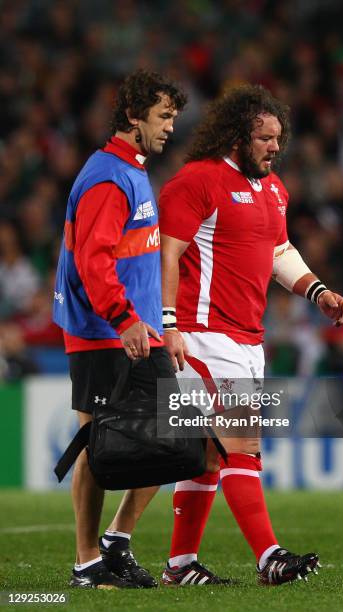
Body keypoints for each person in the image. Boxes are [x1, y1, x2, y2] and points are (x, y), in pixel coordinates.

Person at [159, 84, 343, 586]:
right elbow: (167, 255)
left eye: (279, 138)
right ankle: (270, 557)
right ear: (237, 136)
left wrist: (318, 291)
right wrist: (168, 323)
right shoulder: (197, 181)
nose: (274, 147)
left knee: (206, 452)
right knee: (241, 442)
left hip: (247, 338)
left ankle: (180, 566)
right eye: (265, 138)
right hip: (202, 336)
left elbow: (279, 252)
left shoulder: (274, 189)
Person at [53, 69, 186, 589]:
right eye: (164, 116)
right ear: (134, 116)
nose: (171, 127)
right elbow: (93, 260)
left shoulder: (130, 168)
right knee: (95, 442)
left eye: (173, 116)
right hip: (104, 332)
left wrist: (160, 324)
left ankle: (116, 542)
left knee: (176, 437)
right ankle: (88, 563)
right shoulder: (109, 176)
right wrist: (125, 317)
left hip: (136, 330)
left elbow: (136, 262)